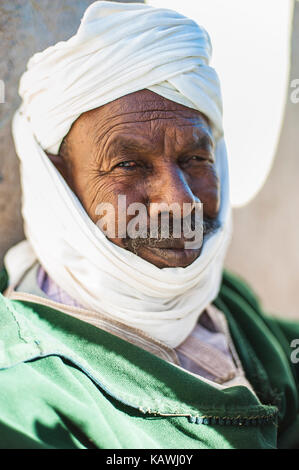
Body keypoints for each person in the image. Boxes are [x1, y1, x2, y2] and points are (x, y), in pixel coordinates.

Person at [0, 1, 298, 449]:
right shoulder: (28, 390)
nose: (180, 201)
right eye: (129, 164)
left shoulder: (224, 300)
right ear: (57, 183)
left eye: (196, 159)